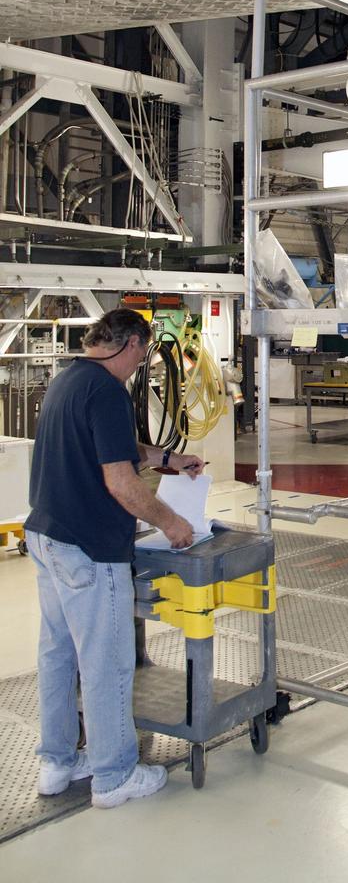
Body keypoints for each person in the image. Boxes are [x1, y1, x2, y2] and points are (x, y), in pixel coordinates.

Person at [24, 307, 204, 809]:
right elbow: (119, 480)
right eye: (142, 353)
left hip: (46, 536)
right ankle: (113, 776)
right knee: (106, 662)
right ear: (129, 346)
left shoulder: (69, 380)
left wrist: (170, 459)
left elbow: (116, 451)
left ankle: (58, 763)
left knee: (58, 655)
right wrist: (172, 523)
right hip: (88, 547)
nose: (141, 363)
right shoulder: (107, 392)